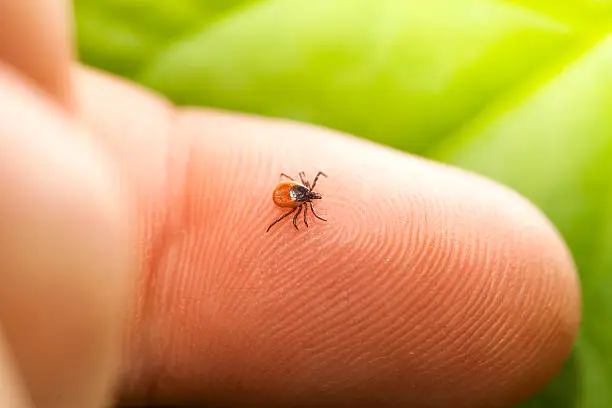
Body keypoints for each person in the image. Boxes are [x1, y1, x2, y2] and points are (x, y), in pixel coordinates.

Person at [0, 1, 580, 407]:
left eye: (307, 197)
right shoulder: (295, 199)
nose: (307, 198)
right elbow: (291, 198)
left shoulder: (292, 194)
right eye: (307, 196)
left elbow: (289, 194)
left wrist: (296, 198)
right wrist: (300, 205)